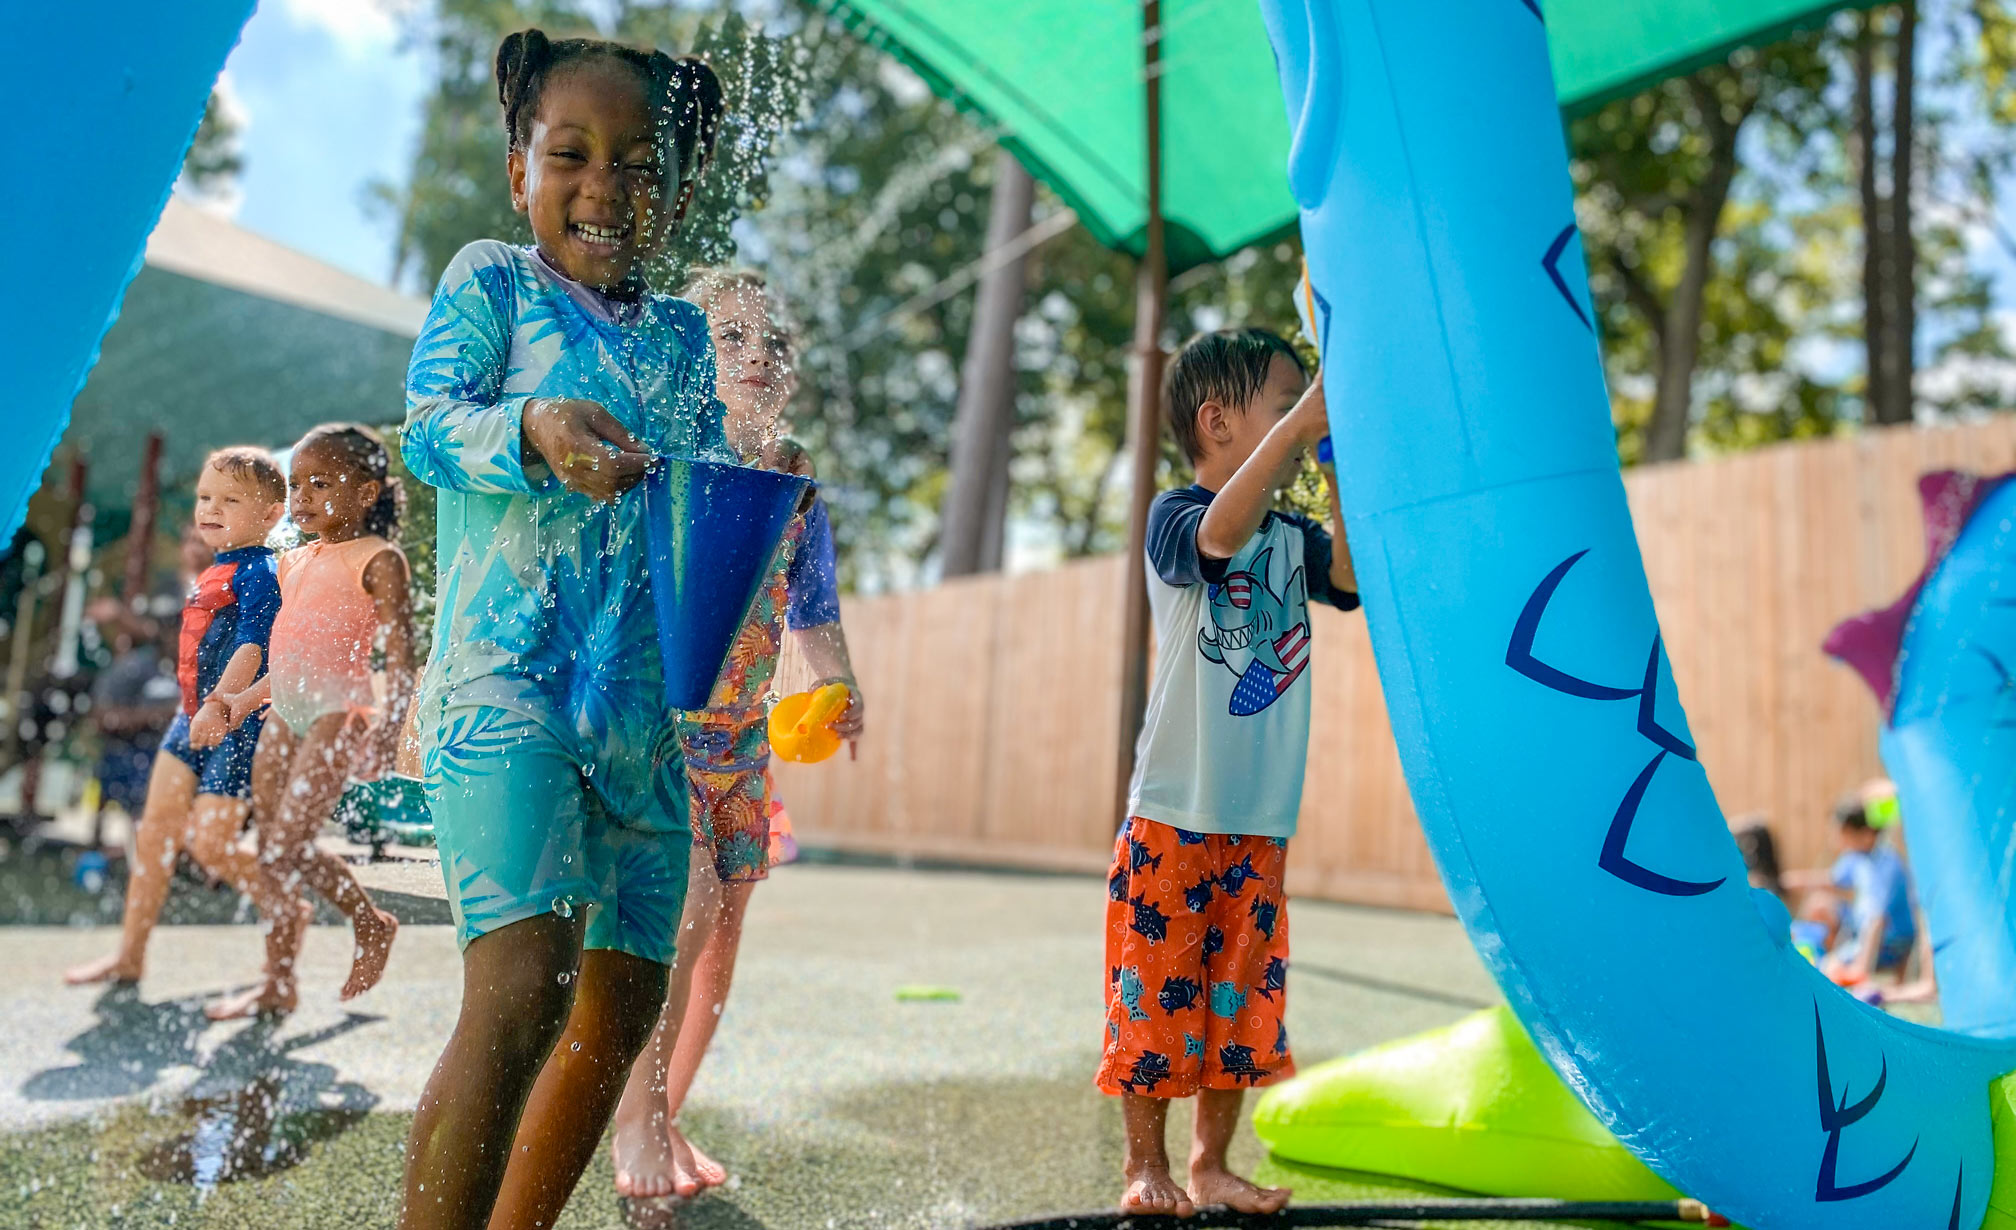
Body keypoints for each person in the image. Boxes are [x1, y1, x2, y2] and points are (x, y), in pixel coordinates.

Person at [395, 29, 729, 1230]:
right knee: (524, 985)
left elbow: (695, 498)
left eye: (642, 164)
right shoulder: (492, 278)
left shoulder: (683, 336)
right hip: (507, 688)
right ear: (518, 168)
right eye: (572, 154)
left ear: (676, 191)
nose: (607, 186)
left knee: (621, 1005)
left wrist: (746, 502)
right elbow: (427, 426)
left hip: (638, 721)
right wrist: (532, 428)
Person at [609, 268, 864, 1204]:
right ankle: (633, 1117)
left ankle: (667, 1112)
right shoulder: (673, 458)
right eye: (730, 338)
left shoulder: (797, 492)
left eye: (774, 344)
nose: (757, 355)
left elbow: (815, 611)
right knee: (680, 917)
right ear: (687, 358)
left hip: (742, 744)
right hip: (663, 734)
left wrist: (839, 686)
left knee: (721, 935)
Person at [1101, 328, 1358, 1217]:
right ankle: (1146, 1164)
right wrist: (1296, 433)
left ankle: (1211, 1163)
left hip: (1260, 821)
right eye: (1282, 401)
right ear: (1216, 421)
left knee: (1239, 1002)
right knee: (1155, 995)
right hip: (1175, 810)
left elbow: (1353, 577)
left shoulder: (1290, 534)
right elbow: (1216, 540)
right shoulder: (1176, 514)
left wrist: (1333, 457)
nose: (1298, 414)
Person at [62, 448, 308, 1018]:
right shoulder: (214, 569)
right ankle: (129, 955)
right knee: (154, 834)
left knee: (211, 844)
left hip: (237, 723)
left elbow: (252, 644)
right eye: (205, 498)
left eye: (230, 500)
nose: (210, 509)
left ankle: (286, 907)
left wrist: (221, 704)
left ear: (273, 512)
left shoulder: (261, 572)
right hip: (189, 716)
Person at [204, 424, 409, 1020]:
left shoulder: (379, 559)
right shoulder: (294, 561)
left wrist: (391, 729)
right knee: (271, 851)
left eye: (320, 484)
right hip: (285, 712)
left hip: (337, 715)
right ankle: (279, 983)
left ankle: (371, 922)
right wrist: (241, 703)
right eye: (296, 486)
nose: (303, 498)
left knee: (283, 851)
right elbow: (290, 655)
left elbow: (399, 655)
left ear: (367, 492)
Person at [1785, 795, 1918, 986]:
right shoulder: (1857, 857)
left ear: (1866, 834)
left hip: (1891, 943)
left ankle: (1846, 967)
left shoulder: (1887, 865)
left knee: (1830, 967)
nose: (1836, 838)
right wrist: (1791, 881)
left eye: (1842, 833)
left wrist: (1860, 967)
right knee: (1820, 903)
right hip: (1863, 932)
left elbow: (1878, 919)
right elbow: (1832, 880)